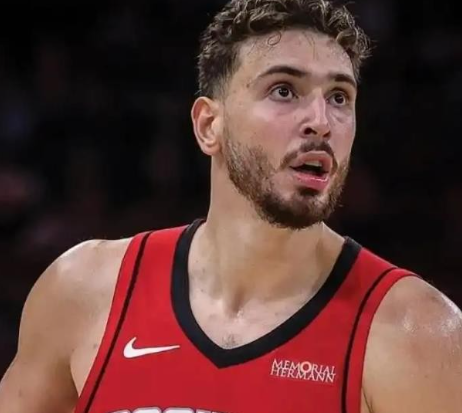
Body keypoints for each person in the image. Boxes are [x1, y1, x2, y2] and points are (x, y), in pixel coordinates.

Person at [1, 0, 461, 412]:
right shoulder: (84, 291)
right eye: (284, 90)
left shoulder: (415, 333)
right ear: (208, 126)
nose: (321, 122)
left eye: (339, 97)